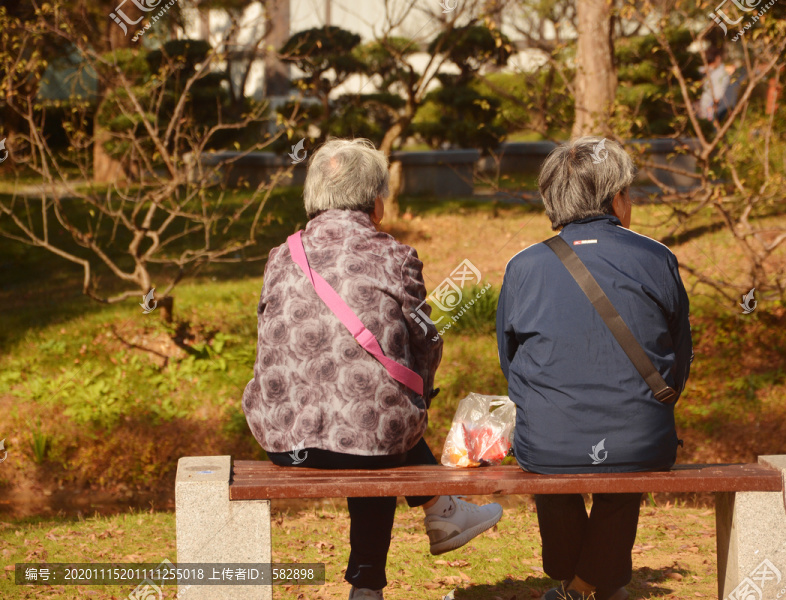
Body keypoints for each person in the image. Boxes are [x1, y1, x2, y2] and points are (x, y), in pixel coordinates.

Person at [242, 138, 502, 600]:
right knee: (376, 422)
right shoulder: (394, 256)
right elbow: (426, 339)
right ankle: (374, 579)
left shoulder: (280, 255)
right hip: (371, 442)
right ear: (376, 201)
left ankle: (441, 514)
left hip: (283, 438)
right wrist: (418, 394)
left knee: (369, 417)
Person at [496, 137, 693, 600]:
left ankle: (575, 581)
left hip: (547, 441)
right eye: (628, 193)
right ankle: (595, 583)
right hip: (640, 435)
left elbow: (510, 360)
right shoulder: (656, 257)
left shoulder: (523, 266)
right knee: (632, 435)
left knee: (551, 437)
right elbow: (679, 354)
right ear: (615, 198)